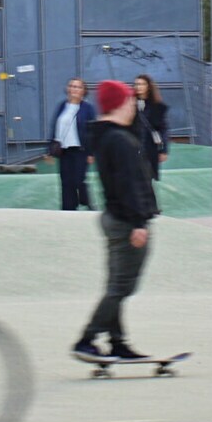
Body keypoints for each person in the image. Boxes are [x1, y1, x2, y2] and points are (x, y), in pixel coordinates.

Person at [74, 78, 161, 362]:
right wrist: (138, 222)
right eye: (129, 101)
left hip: (116, 217)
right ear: (118, 104)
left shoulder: (112, 135)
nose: (133, 106)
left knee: (116, 287)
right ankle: (87, 339)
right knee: (122, 287)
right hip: (127, 221)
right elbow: (129, 183)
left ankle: (117, 342)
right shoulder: (120, 140)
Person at [50, 78, 99, 211]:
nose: (74, 89)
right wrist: (51, 148)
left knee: (79, 180)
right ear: (68, 89)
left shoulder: (87, 108)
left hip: (80, 150)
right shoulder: (62, 106)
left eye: (78, 87)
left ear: (83, 91)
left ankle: (88, 204)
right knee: (66, 182)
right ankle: (68, 209)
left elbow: (93, 131)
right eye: (72, 86)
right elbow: (55, 126)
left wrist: (91, 152)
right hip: (64, 151)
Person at [131, 74, 170, 181]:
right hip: (133, 147)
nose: (138, 87)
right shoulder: (130, 103)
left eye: (142, 84)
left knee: (147, 180)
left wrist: (164, 150)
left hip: (150, 147)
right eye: (136, 84)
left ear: (148, 86)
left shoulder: (157, 106)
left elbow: (163, 129)